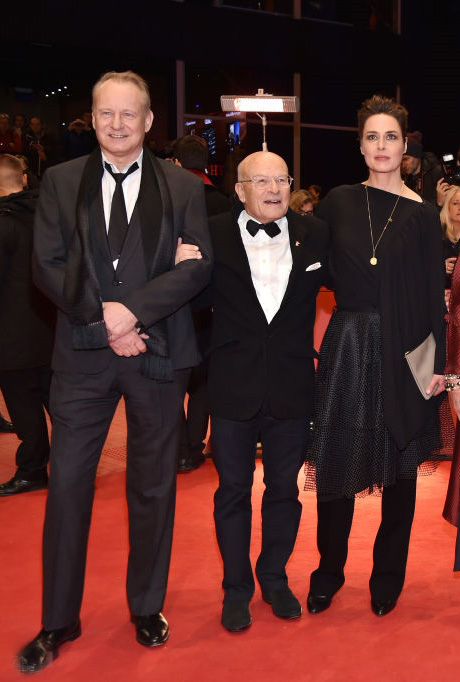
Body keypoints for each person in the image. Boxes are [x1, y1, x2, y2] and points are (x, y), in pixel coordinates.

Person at [16, 70, 212, 674]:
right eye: (107, 113)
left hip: (159, 354)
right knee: (67, 488)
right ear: (92, 119)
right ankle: (58, 619)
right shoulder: (60, 180)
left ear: (149, 121)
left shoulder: (183, 186)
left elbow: (198, 267)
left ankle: (146, 606)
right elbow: (46, 265)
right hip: (81, 357)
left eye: (130, 113)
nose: (118, 124)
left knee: (153, 487)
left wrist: (134, 311)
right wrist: (108, 320)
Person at [305, 95, 446, 618]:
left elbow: (432, 298)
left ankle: (387, 577)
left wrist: (435, 368)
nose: (381, 146)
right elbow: (310, 266)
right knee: (336, 464)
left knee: (401, 470)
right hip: (346, 344)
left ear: (405, 145)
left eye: (391, 137)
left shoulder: (423, 214)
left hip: (404, 348)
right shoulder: (339, 202)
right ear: (360, 146)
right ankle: (328, 573)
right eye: (372, 137)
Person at [178, 151, 329, 631]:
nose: (273, 189)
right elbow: (187, 298)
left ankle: (275, 578)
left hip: (292, 387)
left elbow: (356, 285)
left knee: (284, 490)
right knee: (232, 492)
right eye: (260, 181)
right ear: (240, 190)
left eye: (281, 179)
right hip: (231, 387)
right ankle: (236, 588)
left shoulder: (316, 234)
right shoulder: (211, 234)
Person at [171, 135, 229, 472]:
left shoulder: (168, 196)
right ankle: (192, 448)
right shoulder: (224, 201)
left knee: (172, 378)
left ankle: (179, 448)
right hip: (211, 304)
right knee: (203, 379)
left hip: (172, 302)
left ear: (177, 162)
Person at [0, 154, 55, 496]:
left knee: (24, 407)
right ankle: (73, 466)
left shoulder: (3, 222)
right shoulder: (49, 217)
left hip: (11, 335)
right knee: (61, 406)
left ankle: (33, 470)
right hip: (53, 329)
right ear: (22, 179)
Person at [401, 131, 443, 206]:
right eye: (400, 161)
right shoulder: (406, 178)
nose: (403, 165)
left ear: (417, 155)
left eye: (406, 159)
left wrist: (438, 204)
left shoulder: (436, 172)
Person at [441, 185, 460, 290]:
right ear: (448, 207)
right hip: (441, 293)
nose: (459, 207)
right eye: (455, 203)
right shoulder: (436, 233)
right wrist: (440, 267)